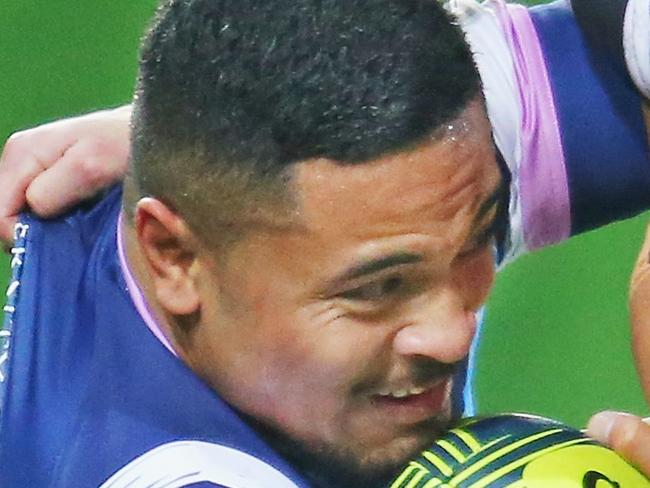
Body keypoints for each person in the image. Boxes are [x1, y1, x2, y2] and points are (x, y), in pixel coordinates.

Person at [0, 0, 649, 486]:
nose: (452, 332)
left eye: (477, 238)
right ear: (175, 258)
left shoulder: (269, 205)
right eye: (379, 289)